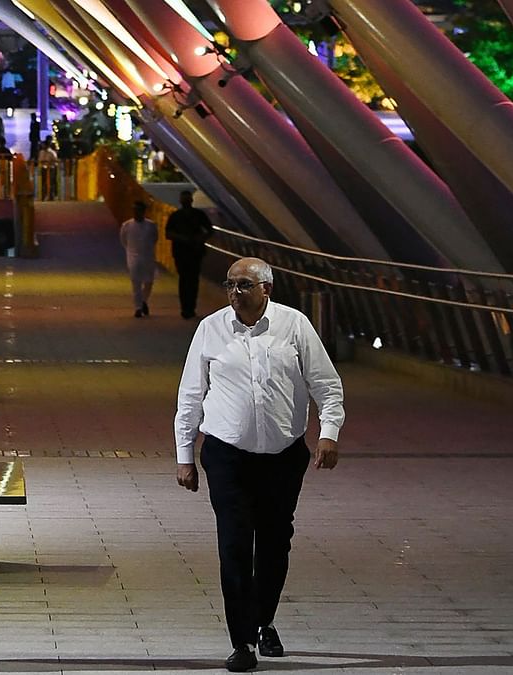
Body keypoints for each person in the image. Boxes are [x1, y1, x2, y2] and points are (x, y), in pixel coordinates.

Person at [174, 257, 344, 673]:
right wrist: (185, 456)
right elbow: (190, 395)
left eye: (245, 285)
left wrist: (329, 433)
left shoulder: (294, 326)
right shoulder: (211, 329)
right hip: (227, 455)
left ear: (266, 288)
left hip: (283, 458)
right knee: (233, 544)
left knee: (273, 544)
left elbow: (326, 384)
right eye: (230, 285)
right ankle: (242, 642)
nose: (235, 292)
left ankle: (264, 619)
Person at [165, 190, 214, 319]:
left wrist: (199, 238)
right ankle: (187, 307)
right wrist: (187, 238)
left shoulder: (181, 215)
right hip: (184, 251)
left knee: (190, 280)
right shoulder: (179, 216)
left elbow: (209, 230)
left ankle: (189, 307)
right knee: (187, 279)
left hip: (192, 251)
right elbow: (168, 234)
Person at [119, 200, 158, 318]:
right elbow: (123, 240)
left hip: (148, 257)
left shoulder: (151, 226)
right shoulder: (127, 226)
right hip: (133, 257)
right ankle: (138, 307)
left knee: (148, 282)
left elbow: (154, 239)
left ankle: (143, 300)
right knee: (136, 282)